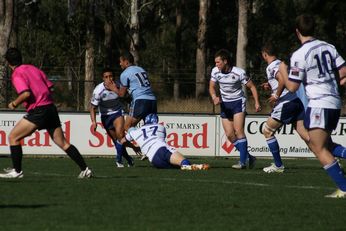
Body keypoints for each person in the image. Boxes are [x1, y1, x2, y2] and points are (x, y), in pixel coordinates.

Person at [0, 48, 92, 178]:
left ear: (8, 63)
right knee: (63, 142)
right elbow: (51, 87)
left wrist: (14, 103)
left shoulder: (16, 74)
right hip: (50, 108)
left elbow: (26, 93)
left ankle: (17, 171)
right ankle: (85, 169)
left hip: (39, 110)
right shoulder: (33, 68)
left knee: (13, 137)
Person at [283, 14, 346, 198]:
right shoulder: (329, 47)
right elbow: (343, 71)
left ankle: (344, 187)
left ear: (297, 32)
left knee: (317, 147)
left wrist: (283, 72)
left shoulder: (299, 54)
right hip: (334, 102)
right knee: (325, 144)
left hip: (319, 103)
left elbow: (293, 86)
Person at [260, 42, 309, 173]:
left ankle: (278, 165)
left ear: (265, 54)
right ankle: (330, 155)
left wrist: (276, 95)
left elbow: (282, 80)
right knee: (305, 135)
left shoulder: (271, 67)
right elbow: (284, 80)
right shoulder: (282, 63)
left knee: (267, 131)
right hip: (296, 101)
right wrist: (271, 85)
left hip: (286, 104)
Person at [209, 49, 261, 169]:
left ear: (225, 61)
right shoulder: (215, 71)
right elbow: (211, 86)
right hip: (225, 104)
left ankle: (242, 162)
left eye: (218, 62)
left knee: (238, 131)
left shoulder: (239, 72)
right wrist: (214, 97)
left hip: (238, 102)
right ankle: (250, 157)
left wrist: (257, 102)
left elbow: (252, 87)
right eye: (215, 62)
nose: (216, 65)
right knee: (230, 135)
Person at [121, 113, 209, 170]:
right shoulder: (161, 127)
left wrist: (134, 147)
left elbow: (122, 141)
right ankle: (193, 165)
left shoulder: (136, 131)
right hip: (161, 149)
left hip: (154, 160)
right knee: (184, 163)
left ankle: (195, 166)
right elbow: (158, 138)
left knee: (178, 167)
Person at [90, 68, 134, 168]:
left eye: (111, 76)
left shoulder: (118, 85)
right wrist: (94, 122)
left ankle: (118, 160)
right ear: (103, 79)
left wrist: (117, 90)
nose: (109, 79)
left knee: (120, 135)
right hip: (105, 116)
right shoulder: (98, 91)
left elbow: (127, 98)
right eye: (106, 77)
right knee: (117, 141)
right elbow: (92, 107)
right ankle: (128, 159)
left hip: (118, 112)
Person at [106, 51, 157, 131]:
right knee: (150, 129)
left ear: (126, 62)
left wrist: (113, 88)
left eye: (121, 61)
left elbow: (122, 94)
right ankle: (150, 142)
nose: (120, 64)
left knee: (127, 126)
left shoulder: (125, 73)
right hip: (152, 100)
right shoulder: (141, 69)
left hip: (140, 101)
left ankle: (139, 140)